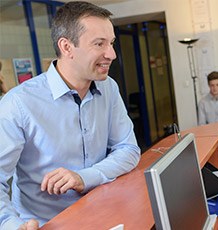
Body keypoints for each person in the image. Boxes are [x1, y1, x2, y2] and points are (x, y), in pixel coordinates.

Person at [0, 2, 141, 229]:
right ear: (66, 47)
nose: (112, 54)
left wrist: (84, 177)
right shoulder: (18, 104)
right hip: (48, 224)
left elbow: (129, 150)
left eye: (111, 43)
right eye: (99, 44)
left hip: (105, 214)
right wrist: (11, 225)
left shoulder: (109, 88)